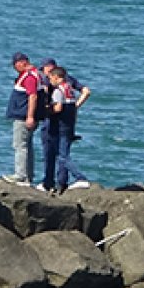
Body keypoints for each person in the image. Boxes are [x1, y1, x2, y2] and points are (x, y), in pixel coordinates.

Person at [37, 59, 92, 192]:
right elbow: (85, 92)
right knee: (63, 152)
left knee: (60, 155)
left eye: (50, 77)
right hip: (69, 123)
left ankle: (79, 177)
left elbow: (58, 108)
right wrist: (76, 107)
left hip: (58, 125)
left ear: (56, 76)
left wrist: (46, 109)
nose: (49, 80)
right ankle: (61, 183)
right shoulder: (70, 88)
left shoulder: (58, 90)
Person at [2, 52, 42, 186]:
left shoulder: (30, 78)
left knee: (20, 145)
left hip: (23, 116)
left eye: (15, 64)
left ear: (22, 62)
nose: (14, 67)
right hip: (26, 116)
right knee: (27, 145)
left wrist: (30, 116)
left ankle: (20, 175)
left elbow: (32, 96)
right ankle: (27, 176)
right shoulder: (35, 74)